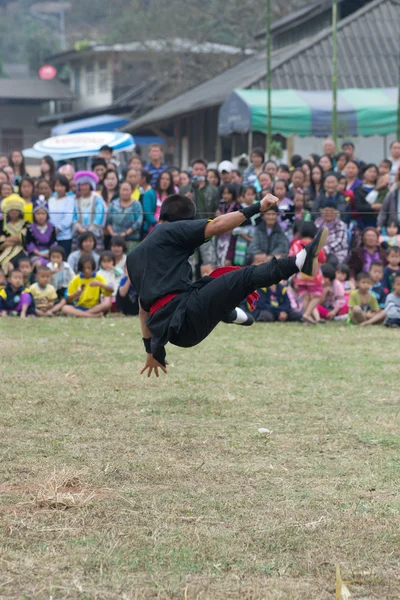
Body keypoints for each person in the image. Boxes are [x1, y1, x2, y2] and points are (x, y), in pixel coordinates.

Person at [126, 191, 328, 374]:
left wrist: (150, 351)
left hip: (177, 333)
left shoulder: (133, 258)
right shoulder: (171, 230)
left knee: (216, 279)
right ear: (183, 223)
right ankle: (299, 261)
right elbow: (216, 226)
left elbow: (144, 309)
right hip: (187, 315)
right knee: (244, 276)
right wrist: (258, 207)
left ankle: (227, 311)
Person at [290, 221, 326, 324]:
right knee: (317, 296)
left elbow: (291, 258)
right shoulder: (316, 244)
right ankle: (307, 314)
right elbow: (322, 258)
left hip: (300, 276)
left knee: (305, 297)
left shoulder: (295, 244)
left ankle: (307, 320)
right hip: (313, 276)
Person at [62, 254, 112, 318]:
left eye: (89, 268)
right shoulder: (76, 279)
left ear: (93, 267)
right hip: (80, 307)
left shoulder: (98, 278)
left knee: (107, 304)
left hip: (95, 307)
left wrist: (100, 284)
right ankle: (93, 316)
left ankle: (84, 315)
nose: (86, 271)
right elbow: (68, 299)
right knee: (65, 308)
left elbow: (110, 291)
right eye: (84, 268)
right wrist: (76, 293)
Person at [72, 171, 106, 251]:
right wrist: (79, 228)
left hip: (94, 230)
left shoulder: (97, 198)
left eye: (85, 185)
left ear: (90, 185)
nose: (83, 187)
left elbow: (99, 214)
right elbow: (73, 216)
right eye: (81, 185)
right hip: (79, 231)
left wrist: (91, 229)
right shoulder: (76, 199)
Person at [106, 181, 143, 250]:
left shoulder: (137, 204)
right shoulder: (113, 204)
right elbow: (108, 221)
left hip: (132, 240)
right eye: (123, 190)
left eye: (127, 190)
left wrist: (125, 233)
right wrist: (113, 234)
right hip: (115, 240)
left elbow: (138, 222)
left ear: (131, 191)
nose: (125, 192)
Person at [315, 200, 348, 267]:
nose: (329, 213)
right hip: (318, 252)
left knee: (330, 263)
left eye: (332, 211)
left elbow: (340, 242)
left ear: (336, 213)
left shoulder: (340, 225)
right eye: (326, 211)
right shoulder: (317, 223)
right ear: (322, 212)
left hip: (336, 253)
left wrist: (324, 250)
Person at [0, 195, 28, 274]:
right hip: (4, 249)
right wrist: (10, 241)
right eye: (11, 210)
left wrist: (6, 239)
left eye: (16, 210)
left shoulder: (25, 223)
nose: (14, 212)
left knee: (12, 264)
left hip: (21, 250)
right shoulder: (2, 224)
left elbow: (21, 238)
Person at [48, 174, 75, 257]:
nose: (59, 188)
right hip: (50, 235)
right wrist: (50, 230)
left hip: (65, 236)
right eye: (57, 185)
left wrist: (57, 229)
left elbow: (68, 218)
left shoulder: (70, 200)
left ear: (66, 187)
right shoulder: (51, 200)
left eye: (61, 186)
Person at [231, 186, 258, 266]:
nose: (250, 197)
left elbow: (259, 222)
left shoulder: (259, 206)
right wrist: (248, 238)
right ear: (243, 195)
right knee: (242, 263)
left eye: (252, 194)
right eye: (248, 194)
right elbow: (236, 226)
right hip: (242, 237)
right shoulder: (238, 208)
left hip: (256, 237)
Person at [26, 200, 57, 268]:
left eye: (43, 214)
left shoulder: (52, 227)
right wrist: (40, 254)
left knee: (54, 264)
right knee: (39, 264)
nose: (41, 216)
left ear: (47, 215)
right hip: (35, 253)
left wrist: (49, 253)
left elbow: (53, 243)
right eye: (38, 214)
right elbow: (30, 244)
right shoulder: (30, 228)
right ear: (34, 215)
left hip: (49, 253)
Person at [216, 184, 241, 266]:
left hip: (232, 238)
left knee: (228, 261)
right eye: (224, 193)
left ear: (233, 194)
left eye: (228, 193)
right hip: (221, 237)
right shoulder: (221, 206)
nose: (225, 196)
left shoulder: (237, 207)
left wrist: (221, 218)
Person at [354, 163, 380, 228]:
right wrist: (372, 207)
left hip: (379, 219)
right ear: (364, 173)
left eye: (374, 172)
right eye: (370, 171)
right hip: (364, 220)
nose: (372, 174)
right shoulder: (358, 189)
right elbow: (359, 207)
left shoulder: (381, 188)